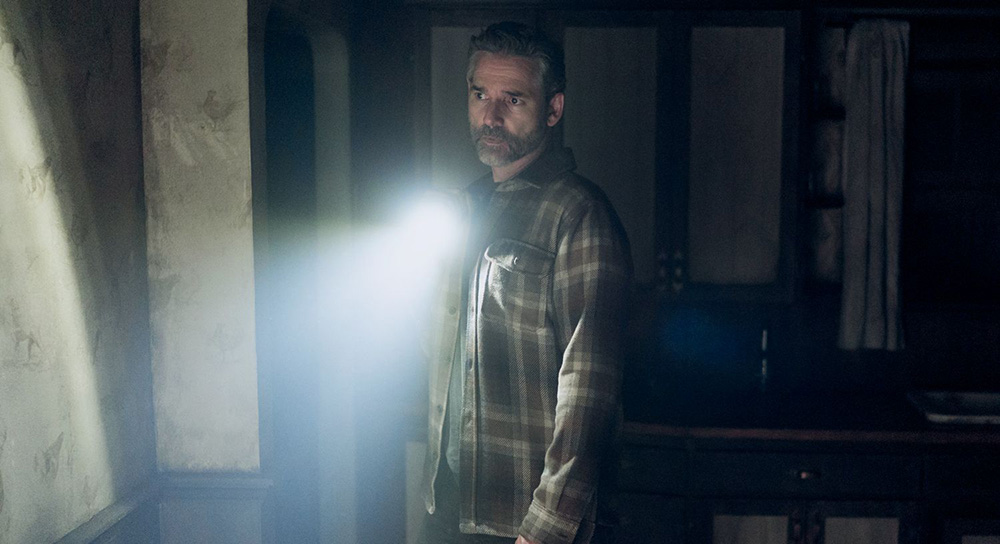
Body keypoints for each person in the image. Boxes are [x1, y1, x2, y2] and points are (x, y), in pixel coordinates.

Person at [419, 21, 632, 544]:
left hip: (526, 523)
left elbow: (588, 392)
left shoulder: (579, 215)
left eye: (512, 99)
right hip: (450, 507)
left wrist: (544, 530)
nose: (490, 116)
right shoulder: (464, 207)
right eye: (480, 95)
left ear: (553, 109)